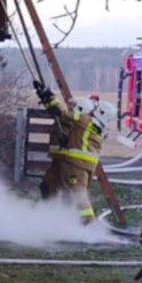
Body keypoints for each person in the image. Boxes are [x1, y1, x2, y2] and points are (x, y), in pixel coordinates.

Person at [34, 82, 112, 224]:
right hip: (79, 166)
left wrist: (49, 95)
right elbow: (58, 114)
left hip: (77, 167)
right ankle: (53, 218)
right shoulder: (96, 127)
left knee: (78, 197)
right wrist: (47, 99)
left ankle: (89, 227)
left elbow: (62, 113)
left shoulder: (84, 121)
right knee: (51, 188)